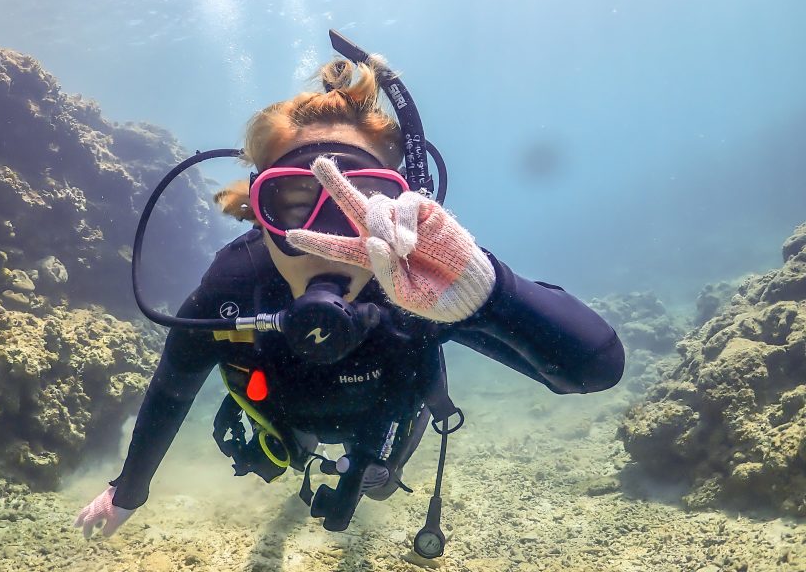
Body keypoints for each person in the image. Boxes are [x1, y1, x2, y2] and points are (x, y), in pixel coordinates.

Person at [75, 39, 625, 554]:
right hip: (281, 424)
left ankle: (364, 469)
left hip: (382, 425)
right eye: (293, 202)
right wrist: (128, 491)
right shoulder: (233, 288)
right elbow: (172, 391)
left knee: (376, 481)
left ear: (405, 205)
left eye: (364, 202)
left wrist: (487, 290)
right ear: (258, 212)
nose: (332, 242)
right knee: (278, 455)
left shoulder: (422, 286)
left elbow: (593, 368)